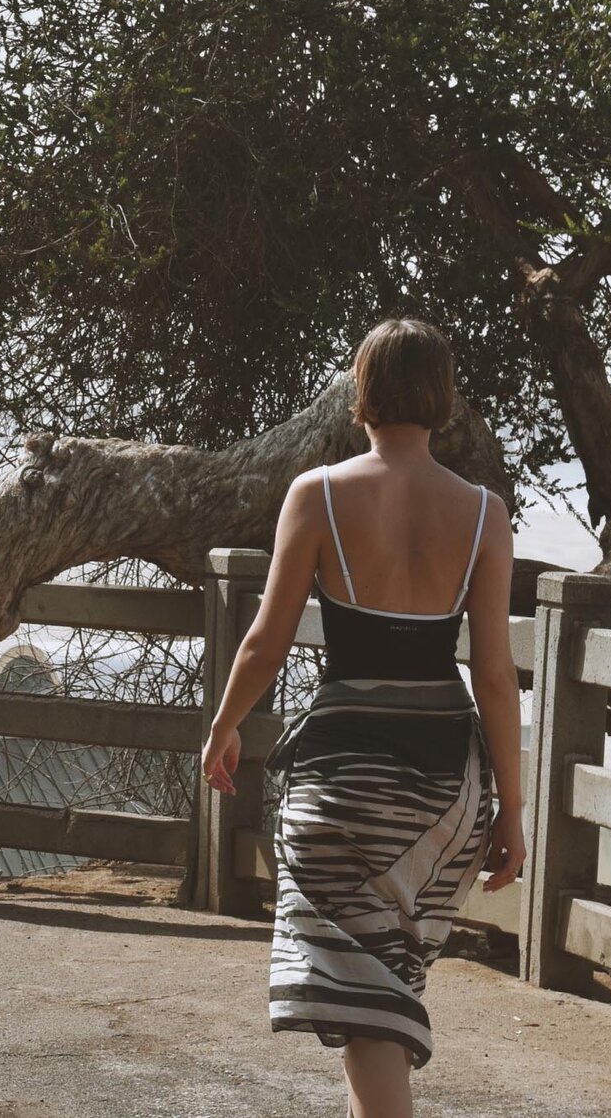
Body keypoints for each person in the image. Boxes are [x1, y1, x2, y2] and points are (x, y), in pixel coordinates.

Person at [201, 317, 524, 1118]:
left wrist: (222, 726)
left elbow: (265, 641)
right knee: (378, 1001)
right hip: (444, 793)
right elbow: (492, 673)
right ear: (441, 399)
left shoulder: (318, 496)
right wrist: (511, 809)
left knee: (367, 1016)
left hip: (342, 781)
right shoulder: (485, 514)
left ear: (363, 391)